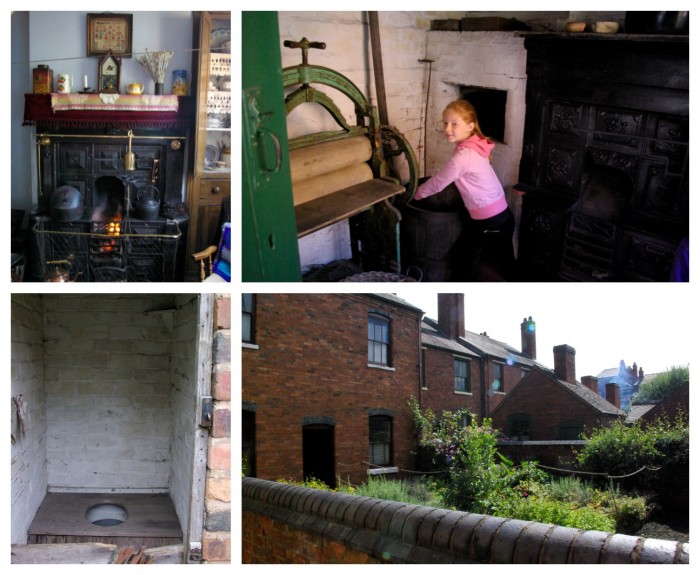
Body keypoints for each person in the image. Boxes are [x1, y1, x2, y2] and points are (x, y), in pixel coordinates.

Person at [414, 99, 516, 280]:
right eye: (445, 123)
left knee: (482, 264)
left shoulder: (463, 155)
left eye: (454, 124)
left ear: (470, 126)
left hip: (492, 221)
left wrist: (415, 194)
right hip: (498, 215)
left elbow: (438, 183)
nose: (447, 129)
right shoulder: (475, 143)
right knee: (477, 261)